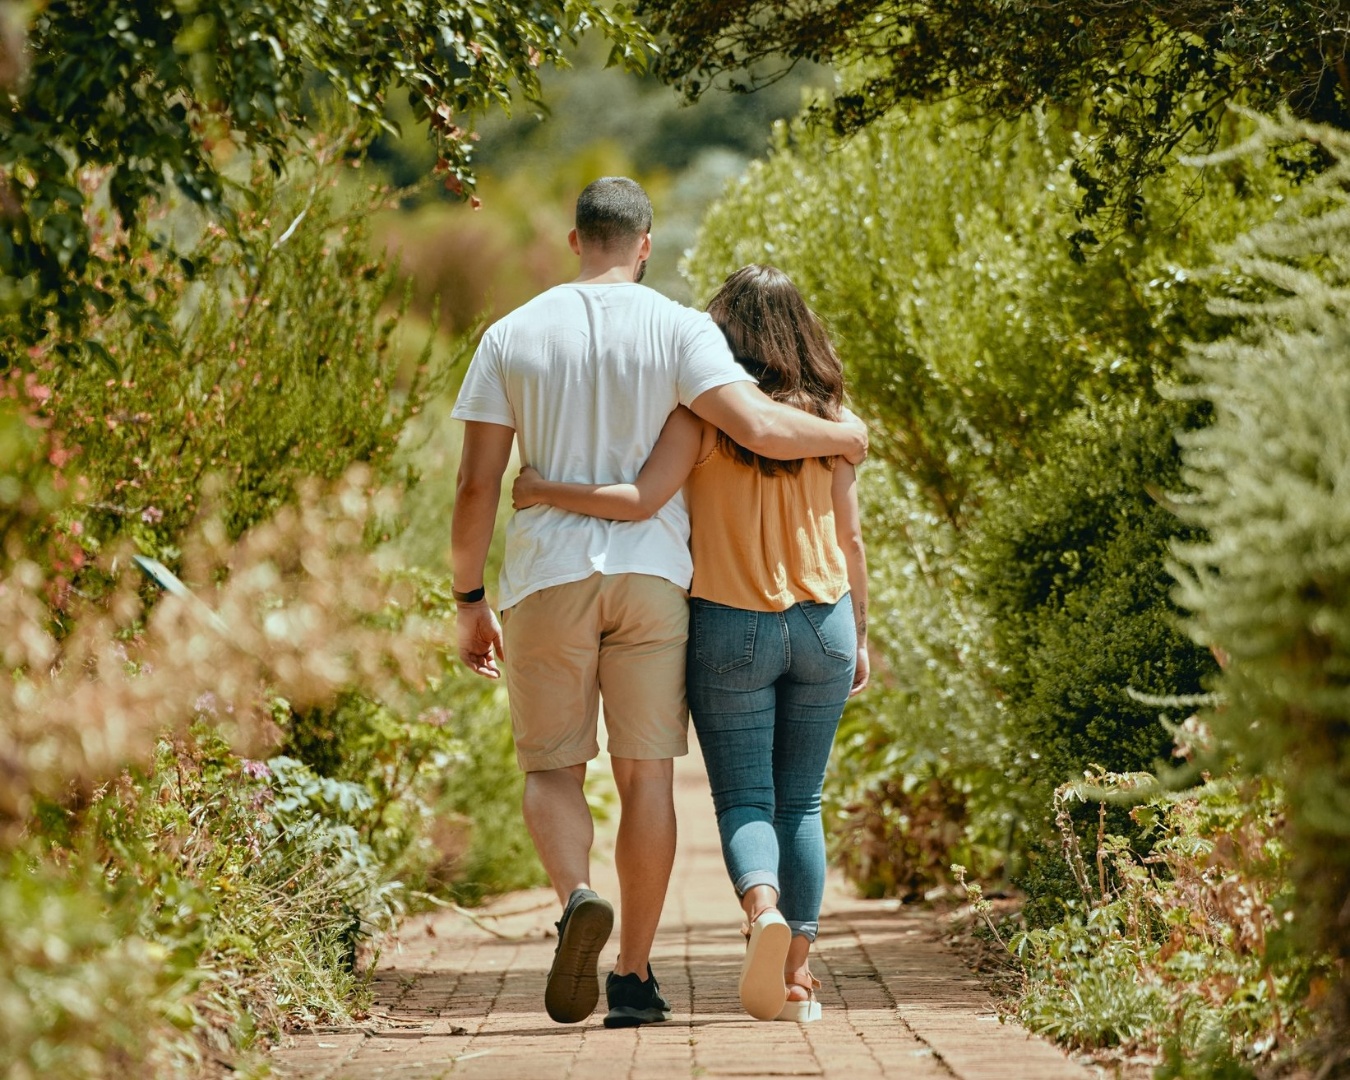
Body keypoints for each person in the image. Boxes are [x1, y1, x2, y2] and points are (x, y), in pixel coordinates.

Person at [449, 179, 867, 1029]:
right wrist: (846, 436)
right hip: (663, 584)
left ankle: (576, 898)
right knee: (654, 780)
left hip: (548, 578)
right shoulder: (683, 330)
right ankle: (637, 978)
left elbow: (475, 483)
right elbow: (761, 428)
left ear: (576, 240)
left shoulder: (509, 334)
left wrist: (468, 596)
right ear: (644, 245)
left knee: (552, 770)